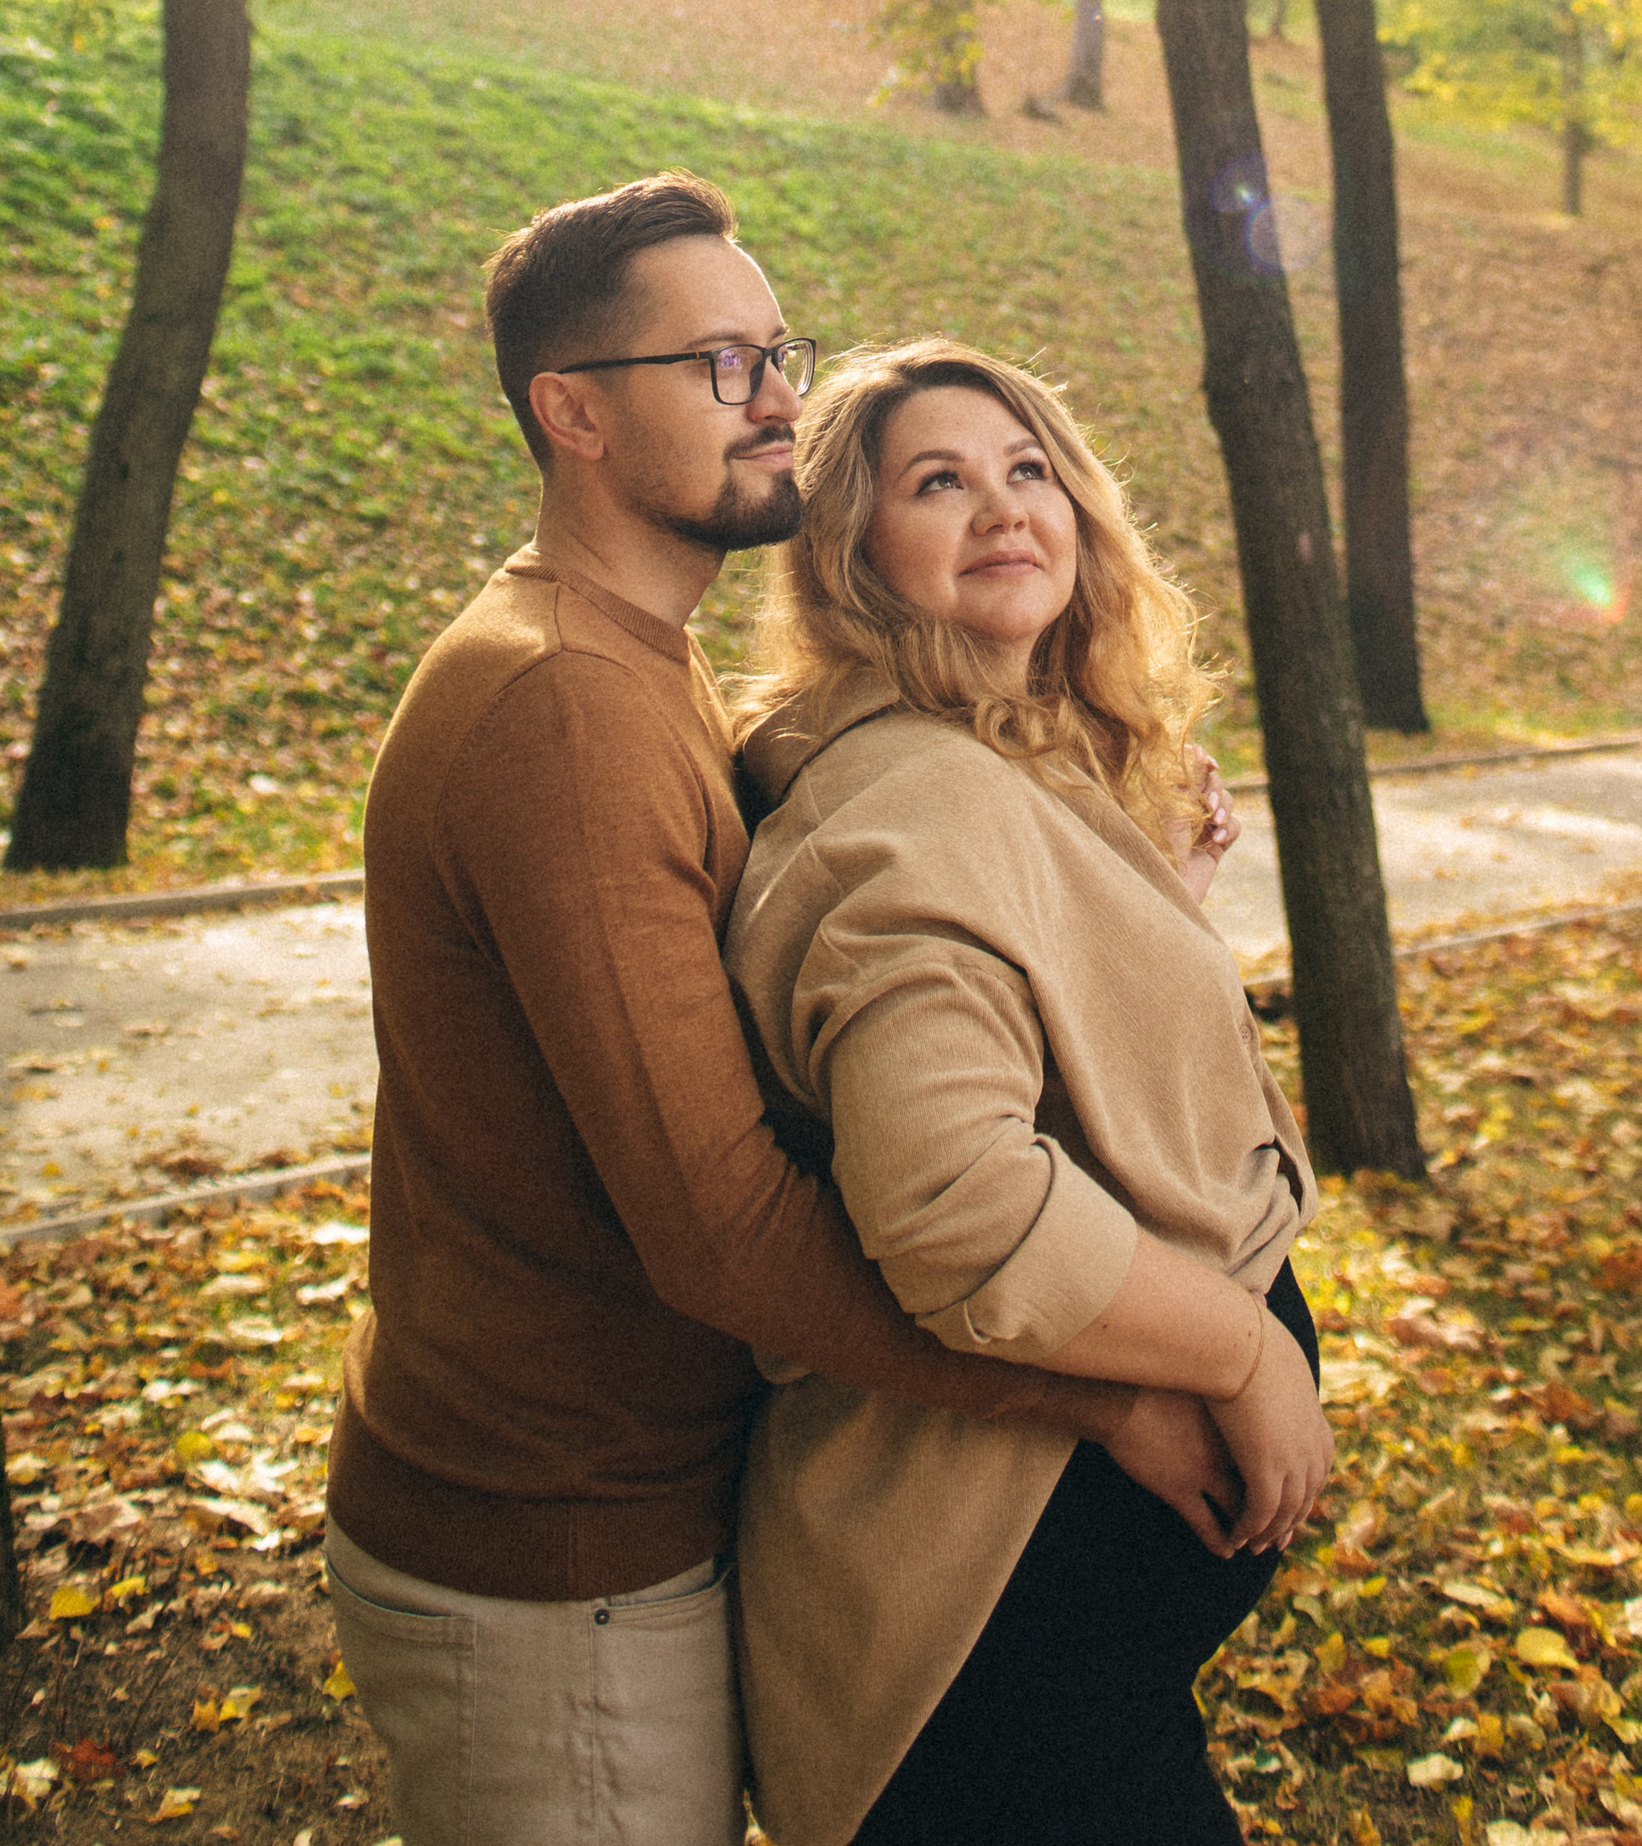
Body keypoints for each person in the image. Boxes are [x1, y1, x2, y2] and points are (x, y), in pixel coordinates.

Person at [323, 175, 1309, 1846]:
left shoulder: (639, 674)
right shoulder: (571, 705)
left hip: (641, 1506)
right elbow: (728, 1231)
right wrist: (1149, 1382)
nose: (777, 395)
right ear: (571, 412)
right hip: (559, 1545)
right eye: (716, 365)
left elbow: (832, 1050)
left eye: (773, 351)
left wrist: (1138, 925)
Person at [725, 337, 1333, 1846]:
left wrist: (1157, 910)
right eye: (938, 483)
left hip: (1043, 1659)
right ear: (847, 552)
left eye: (1028, 471)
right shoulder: (915, 808)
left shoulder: (980, 765)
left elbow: (1036, 1056)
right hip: (983, 1660)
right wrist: (1242, 1358)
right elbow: (960, 1206)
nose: (1005, 510)